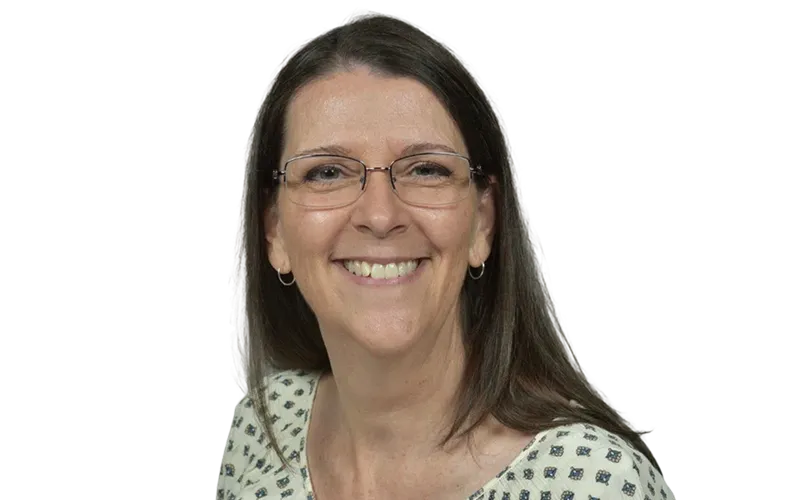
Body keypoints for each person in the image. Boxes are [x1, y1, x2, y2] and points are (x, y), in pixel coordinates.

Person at [220, 8, 671, 500]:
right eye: (327, 172)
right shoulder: (259, 429)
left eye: (426, 169)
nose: (379, 214)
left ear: (482, 222)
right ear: (274, 232)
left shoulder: (584, 483)